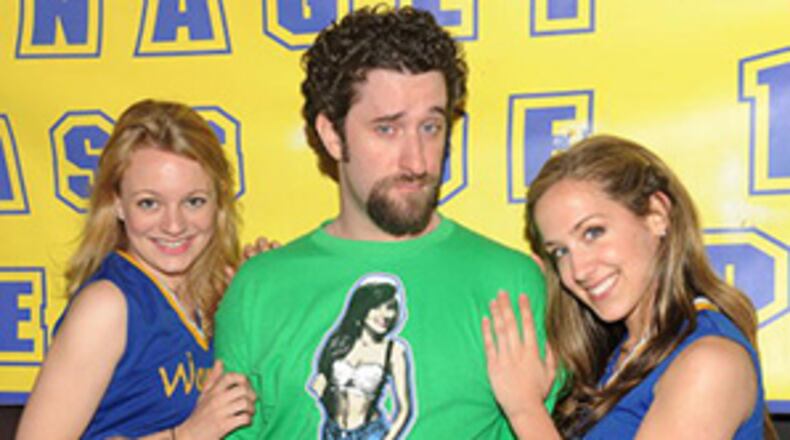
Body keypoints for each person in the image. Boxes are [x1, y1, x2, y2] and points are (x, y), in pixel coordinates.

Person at [214, 5, 558, 438]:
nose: (417, 162)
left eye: (430, 127)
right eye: (387, 129)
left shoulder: (509, 284)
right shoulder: (259, 289)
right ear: (332, 135)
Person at [482, 135, 777, 439]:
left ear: (657, 215)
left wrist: (525, 409)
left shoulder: (710, 362)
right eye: (561, 251)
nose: (578, 270)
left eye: (593, 232)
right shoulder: (621, 355)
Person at [17, 100, 257, 439]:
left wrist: (259, 294)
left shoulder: (212, 292)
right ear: (117, 203)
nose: (174, 225)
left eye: (193, 201)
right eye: (149, 203)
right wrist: (186, 435)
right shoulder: (106, 307)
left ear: (218, 202)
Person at [308, 273, 413, 439]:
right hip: (333, 432)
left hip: (370, 434)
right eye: (376, 307)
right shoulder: (339, 343)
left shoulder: (393, 351)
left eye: (390, 307)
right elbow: (319, 386)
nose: (385, 315)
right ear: (362, 308)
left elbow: (405, 408)